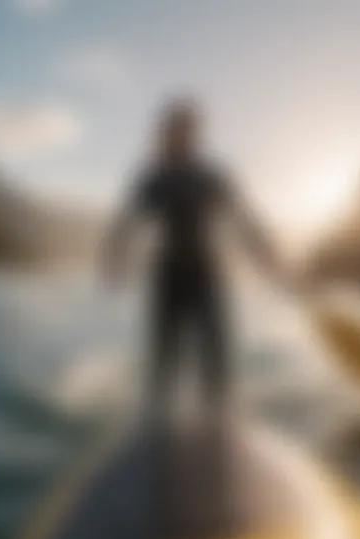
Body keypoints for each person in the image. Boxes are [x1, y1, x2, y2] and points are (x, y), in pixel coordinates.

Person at [102, 99, 283, 412]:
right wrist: (115, 262)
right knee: (164, 361)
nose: (179, 136)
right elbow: (125, 224)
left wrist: (268, 260)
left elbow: (244, 220)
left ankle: (221, 417)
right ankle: (157, 419)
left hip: (207, 274)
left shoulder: (211, 176)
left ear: (195, 135)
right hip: (168, 276)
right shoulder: (153, 179)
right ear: (164, 133)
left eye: (186, 130)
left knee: (216, 360)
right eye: (173, 129)